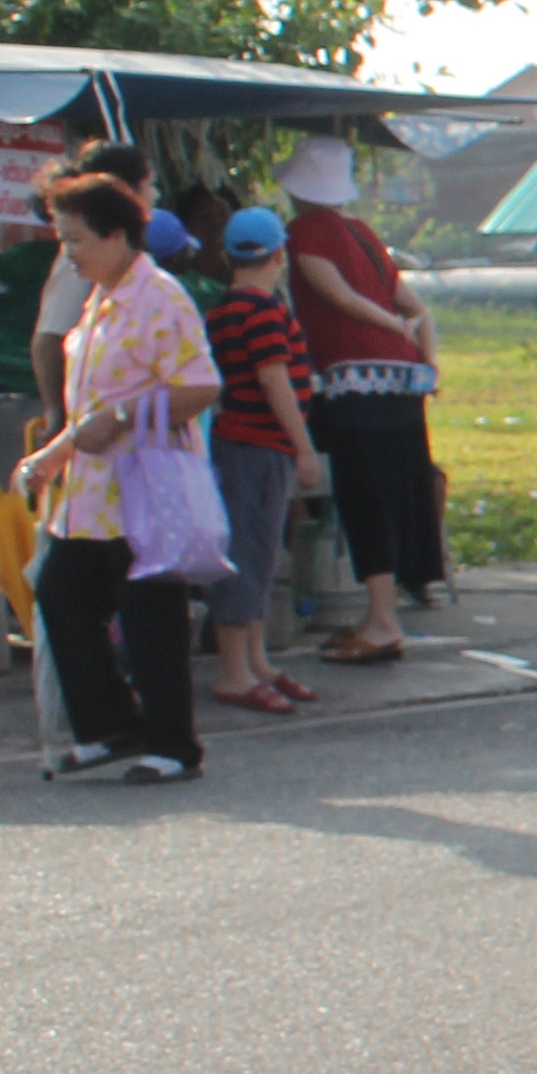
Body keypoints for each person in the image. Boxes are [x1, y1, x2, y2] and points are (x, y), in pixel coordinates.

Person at [9, 164, 220, 784]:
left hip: (141, 491)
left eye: (76, 240)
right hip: (86, 494)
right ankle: (109, 726)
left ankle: (173, 744)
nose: (68, 254)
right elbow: (86, 408)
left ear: (118, 236)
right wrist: (54, 456)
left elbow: (200, 385)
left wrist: (126, 414)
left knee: (150, 613)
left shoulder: (159, 297)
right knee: (60, 593)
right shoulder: (99, 299)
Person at [278, 135, 446, 665]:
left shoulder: (304, 232)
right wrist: (425, 355)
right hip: (402, 377)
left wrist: (388, 324)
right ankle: (387, 604)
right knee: (399, 489)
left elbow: (335, 295)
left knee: (364, 494)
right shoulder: (363, 233)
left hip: (353, 380)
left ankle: (380, 618)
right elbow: (417, 306)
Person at [198, 207, 324, 717]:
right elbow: (275, 381)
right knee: (248, 555)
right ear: (279, 254)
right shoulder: (264, 312)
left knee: (259, 552)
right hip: (259, 446)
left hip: (240, 443)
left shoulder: (223, 310)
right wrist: (305, 447)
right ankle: (234, 670)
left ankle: (256, 660)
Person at [28, 140, 154, 419]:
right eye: (148, 185)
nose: (154, 196)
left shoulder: (136, 274)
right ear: (124, 192)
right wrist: (57, 415)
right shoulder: (80, 259)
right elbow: (48, 338)